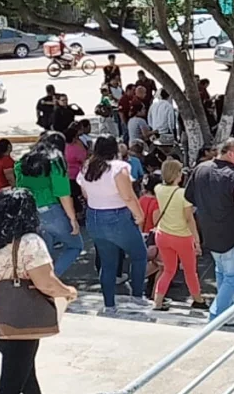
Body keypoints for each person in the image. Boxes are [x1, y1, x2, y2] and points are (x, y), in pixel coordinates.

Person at [0, 189, 78, 394]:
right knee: (10, 386)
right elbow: (45, 282)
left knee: (21, 365)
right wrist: (68, 292)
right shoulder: (29, 242)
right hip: (17, 318)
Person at [77, 135, 149, 312]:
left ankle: (109, 305)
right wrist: (139, 215)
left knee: (107, 263)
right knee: (139, 255)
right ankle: (138, 296)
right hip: (118, 216)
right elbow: (128, 196)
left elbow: (85, 194)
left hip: (94, 216)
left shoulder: (87, 167)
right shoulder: (119, 168)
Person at [15, 132, 83, 277]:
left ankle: (39, 281)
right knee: (75, 246)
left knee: (43, 252)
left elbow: (20, 187)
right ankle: (51, 279)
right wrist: (72, 219)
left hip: (31, 212)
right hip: (51, 210)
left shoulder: (23, 161)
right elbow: (63, 193)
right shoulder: (55, 161)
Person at [152, 159, 207, 311]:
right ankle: (197, 299)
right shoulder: (183, 194)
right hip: (182, 236)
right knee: (190, 271)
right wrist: (196, 240)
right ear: (177, 174)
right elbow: (189, 219)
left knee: (169, 270)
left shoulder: (158, 189)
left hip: (163, 234)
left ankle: (158, 301)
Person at [64, 125, 89, 218]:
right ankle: (81, 213)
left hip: (67, 175)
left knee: (73, 195)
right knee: (79, 194)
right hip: (77, 174)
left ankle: (75, 213)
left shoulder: (63, 147)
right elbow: (84, 159)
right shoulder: (76, 148)